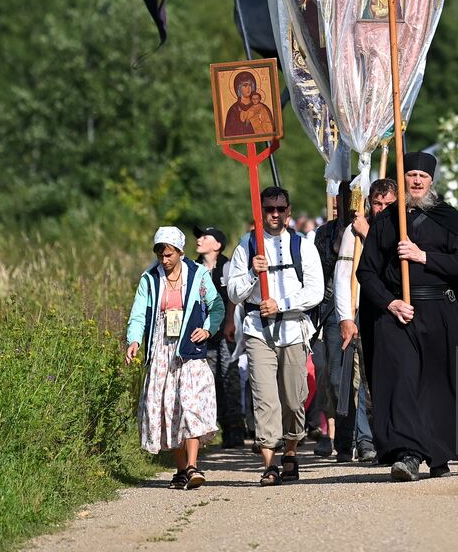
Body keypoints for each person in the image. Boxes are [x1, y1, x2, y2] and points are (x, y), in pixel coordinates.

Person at [356, 152, 458, 482]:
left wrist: (423, 256)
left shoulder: (447, 218)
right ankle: (408, 454)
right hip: (398, 315)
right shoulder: (385, 221)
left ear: (432, 181)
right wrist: (391, 303)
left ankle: (437, 451)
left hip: (440, 313)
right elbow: (367, 272)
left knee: (438, 388)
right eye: (411, 175)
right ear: (402, 180)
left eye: (423, 176)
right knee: (403, 381)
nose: (418, 181)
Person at [226, 186, 324, 486]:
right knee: (265, 399)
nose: (275, 214)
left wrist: (282, 304)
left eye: (280, 208)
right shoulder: (247, 246)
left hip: (293, 328)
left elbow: (315, 290)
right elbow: (233, 291)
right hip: (258, 330)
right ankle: (269, 464)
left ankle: (291, 452)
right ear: (260, 211)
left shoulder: (302, 245)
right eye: (269, 209)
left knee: (294, 400)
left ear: (289, 211)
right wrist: (253, 274)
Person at [125, 226, 225, 489]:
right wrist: (134, 339)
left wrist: (208, 329)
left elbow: (216, 307)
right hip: (162, 350)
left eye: (169, 254)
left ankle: (193, 467)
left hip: (189, 349)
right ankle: (181, 469)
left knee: (191, 404)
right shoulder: (149, 278)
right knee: (169, 407)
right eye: (160, 254)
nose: (164, 260)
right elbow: (138, 314)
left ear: (180, 252)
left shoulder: (198, 275)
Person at [322, 178, 396, 463]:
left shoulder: (400, 229)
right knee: (357, 381)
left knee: (385, 379)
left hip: (390, 312)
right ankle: (361, 440)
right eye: (376, 203)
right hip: (359, 311)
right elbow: (344, 278)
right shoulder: (355, 233)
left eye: (387, 204)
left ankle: (387, 437)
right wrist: (345, 317)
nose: (381, 209)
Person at [194, 224, 245, 449]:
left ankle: (235, 430)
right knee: (210, 382)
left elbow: (234, 296)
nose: (199, 240)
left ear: (217, 245)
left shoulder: (227, 266)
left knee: (229, 379)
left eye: (205, 236)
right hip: (203, 335)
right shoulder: (193, 268)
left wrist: (230, 322)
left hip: (226, 332)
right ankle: (214, 430)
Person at [224, 70, 274, 138]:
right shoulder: (234, 110)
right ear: (238, 88)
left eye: (250, 85)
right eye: (245, 85)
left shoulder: (262, 107)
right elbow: (229, 134)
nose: (248, 88)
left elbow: (270, 130)